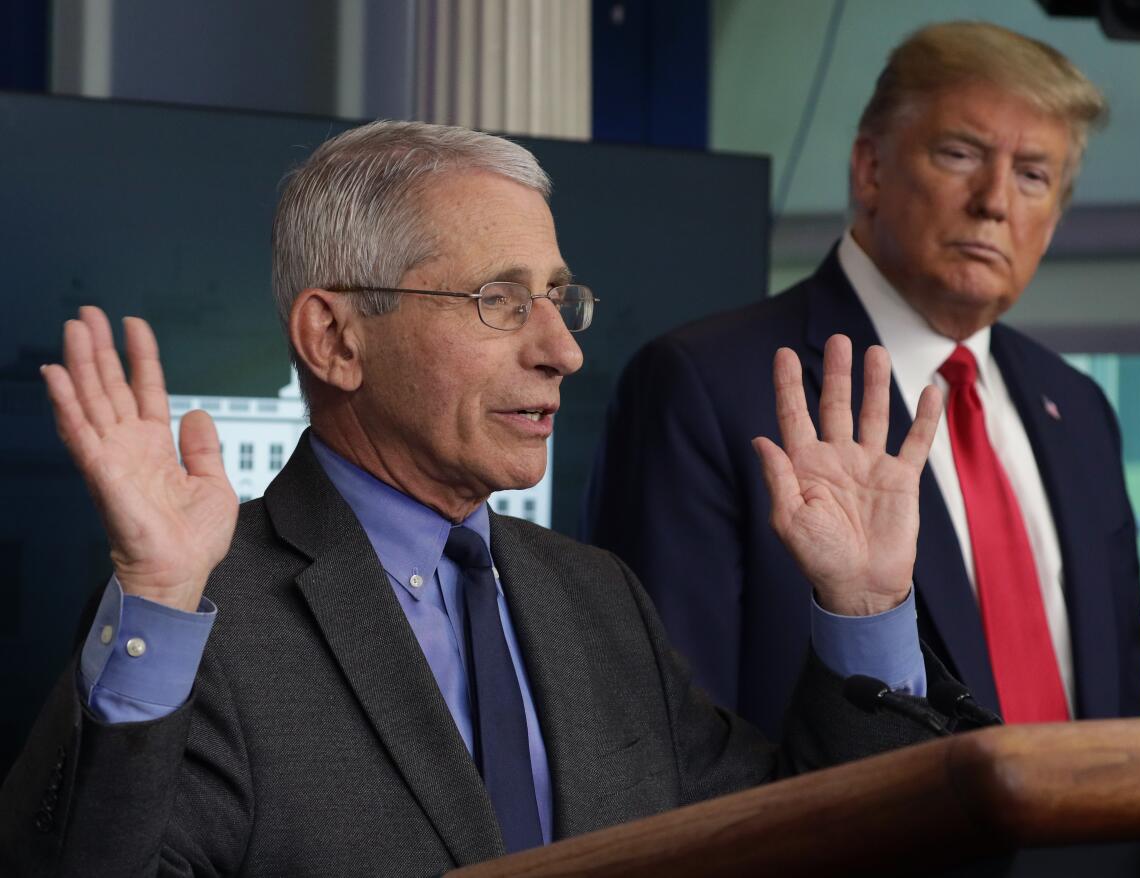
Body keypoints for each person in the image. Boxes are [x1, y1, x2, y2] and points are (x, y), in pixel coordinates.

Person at [0, 121, 952, 875]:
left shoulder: (597, 598)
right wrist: (159, 600)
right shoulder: (198, 621)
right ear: (335, 339)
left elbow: (795, 844)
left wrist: (865, 608)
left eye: (559, 297)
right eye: (500, 299)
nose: (563, 349)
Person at [584, 21, 1140, 742]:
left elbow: (1126, 699)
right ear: (869, 169)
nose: (994, 200)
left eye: (1033, 174)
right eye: (959, 154)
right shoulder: (703, 385)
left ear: (1056, 215)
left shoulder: (1079, 406)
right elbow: (666, 736)